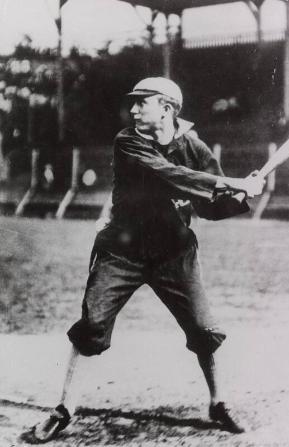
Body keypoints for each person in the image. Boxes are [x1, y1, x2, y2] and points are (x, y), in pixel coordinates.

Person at [25, 77, 264, 443]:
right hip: (122, 250)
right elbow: (168, 175)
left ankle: (219, 403)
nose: (133, 110)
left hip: (174, 252)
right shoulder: (128, 141)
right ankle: (63, 410)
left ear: (166, 109)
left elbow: (211, 207)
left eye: (142, 103)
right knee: (93, 326)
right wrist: (231, 182)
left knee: (203, 330)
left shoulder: (193, 146)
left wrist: (245, 188)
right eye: (133, 103)